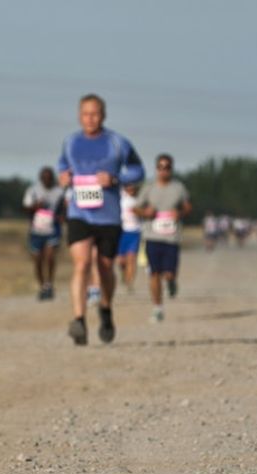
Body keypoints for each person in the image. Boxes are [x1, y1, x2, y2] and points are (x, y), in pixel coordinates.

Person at [58, 94, 145, 345]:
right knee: (82, 264)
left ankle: (105, 309)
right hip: (79, 213)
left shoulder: (118, 143)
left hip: (108, 216)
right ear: (78, 115)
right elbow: (62, 166)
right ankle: (79, 320)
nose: (90, 118)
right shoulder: (71, 142)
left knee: (105, 267)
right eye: (85, 114)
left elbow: (138, 170)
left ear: (103, 116)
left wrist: (116, 179)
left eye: (95, 114)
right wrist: (63, 176)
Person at [133, 154, 191, 322]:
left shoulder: (178, 188)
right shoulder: (149, 188)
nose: (164, 170)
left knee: (168, 274)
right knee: (154, 274)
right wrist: (146, 212)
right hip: (152, 236)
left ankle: (172, 282)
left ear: (171, 169)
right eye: (161, 167)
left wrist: (179, 213)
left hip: (172, 238)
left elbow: (188, 207)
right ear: (156, 168)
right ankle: (157, 308)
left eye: (167, 167)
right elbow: (135, 208)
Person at [22, 166, 66, 300]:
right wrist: (36, 206)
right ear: (41, 178)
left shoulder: (59, 191)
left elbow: (65, 208)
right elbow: (25, 207)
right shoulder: (33, 190)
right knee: (38, 261)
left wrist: (62, 217)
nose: (47, 180)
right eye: (44, 178)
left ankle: (50, 284)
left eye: (49, 178)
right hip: (36, 231)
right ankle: (42, 286)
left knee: (50, 257)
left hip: (53, 230)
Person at [116, 183, 142, 293]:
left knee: (131, 258)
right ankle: (123, 273)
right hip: (121, 231)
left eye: (133, 185)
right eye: (128, 185)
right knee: (121, 261)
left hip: (135, 232)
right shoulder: (120, 195)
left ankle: (130, 283)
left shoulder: (141, 198)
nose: (131, 188)